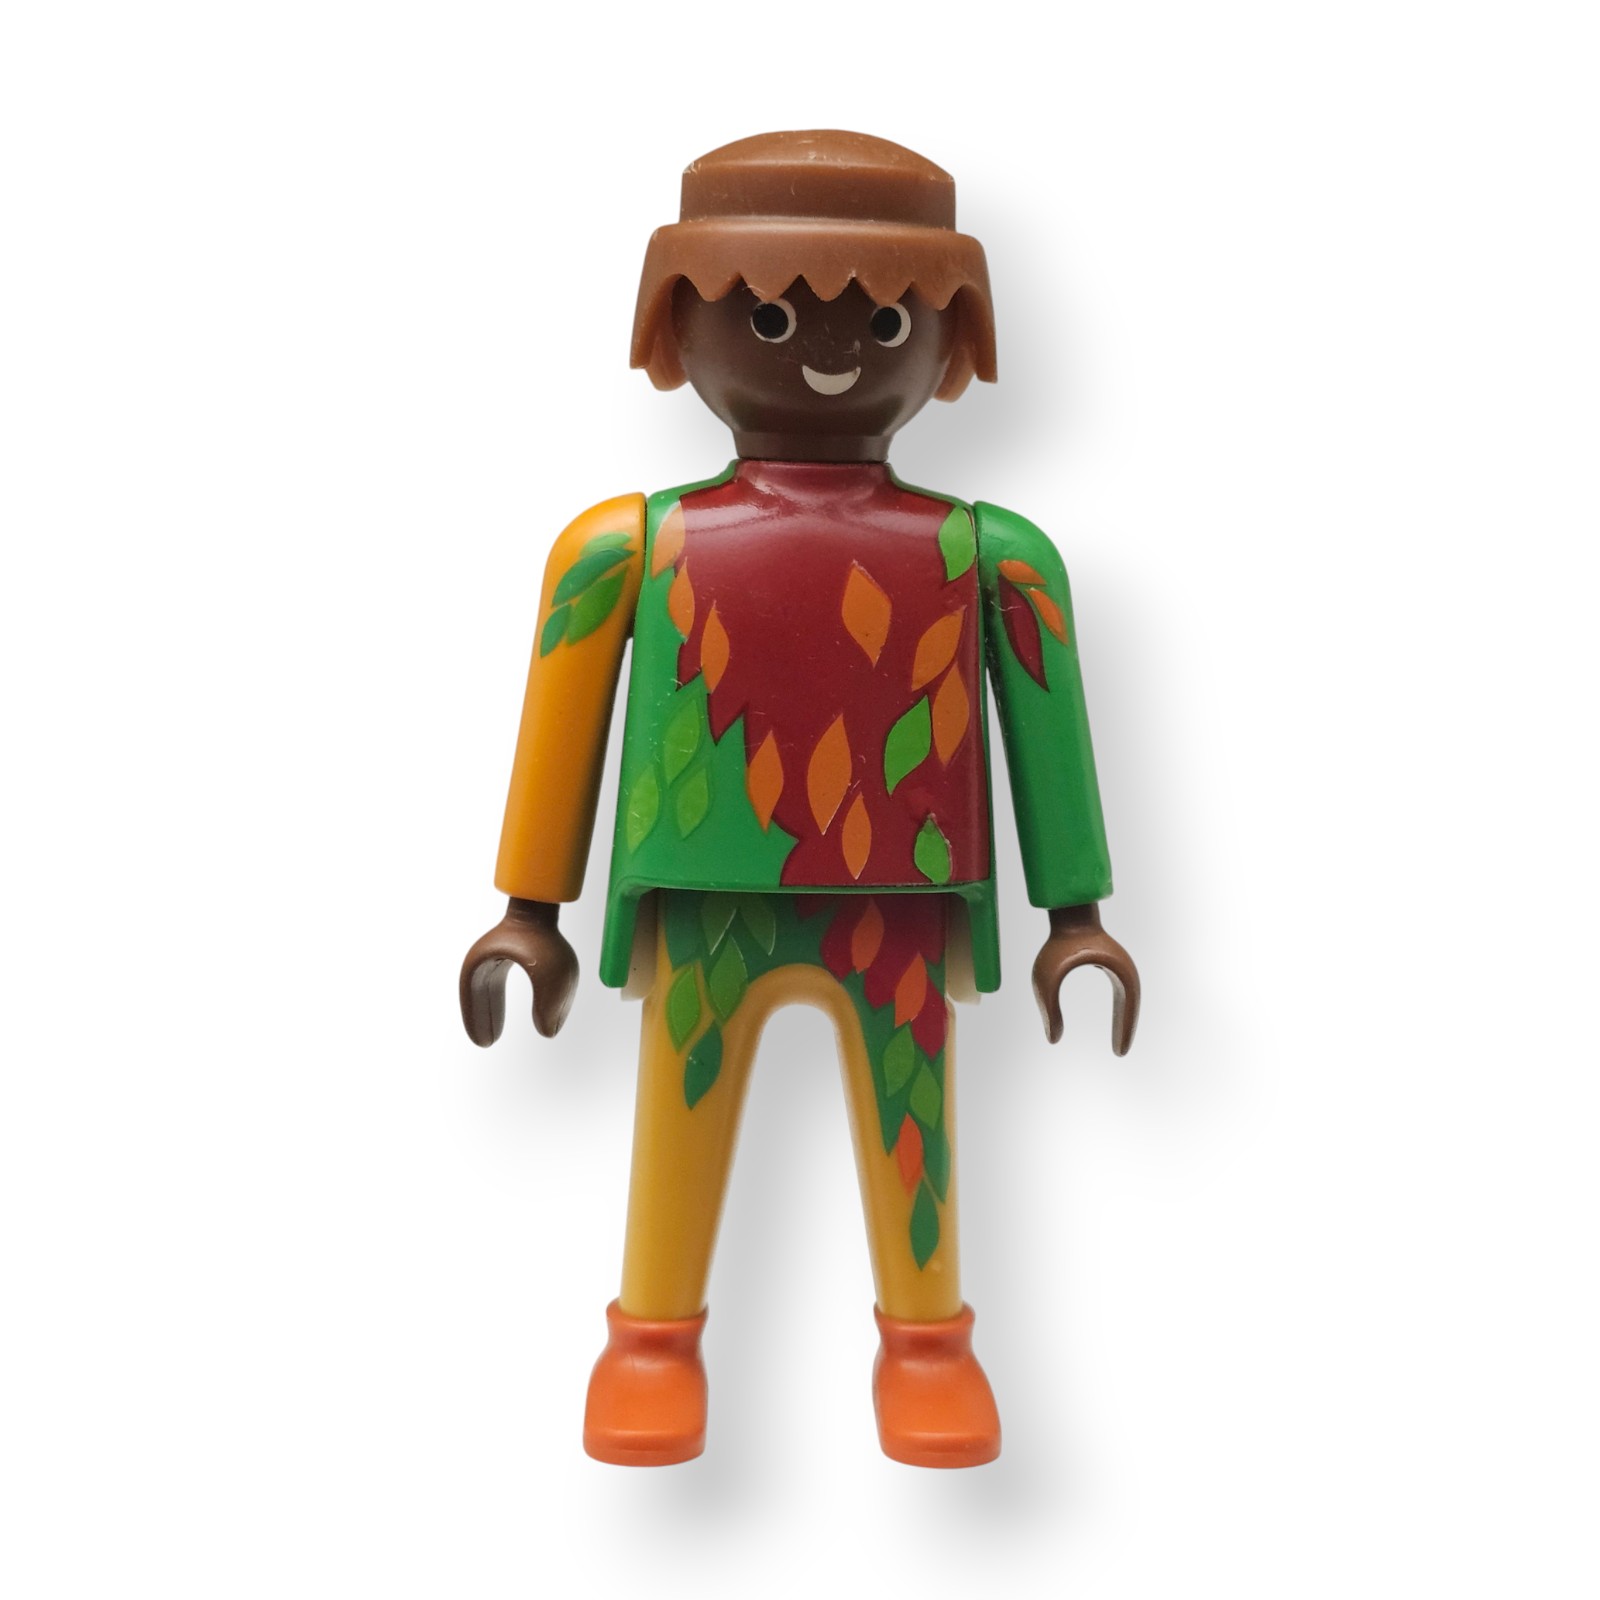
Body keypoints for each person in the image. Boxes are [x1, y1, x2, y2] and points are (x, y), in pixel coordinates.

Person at [460, 130, 1140, 1468]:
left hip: (900, 896)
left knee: (910, 1121)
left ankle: (928, 1344)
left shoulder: (992, 558)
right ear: (679, 328)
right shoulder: (625, 549)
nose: (828, 352)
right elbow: (562, 722)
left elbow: (1047, 725)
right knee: (682, 1111)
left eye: (884, 321)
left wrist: (1079, 917)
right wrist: (528, 910)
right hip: (705, 889)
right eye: (769, 316)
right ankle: (652, 1341)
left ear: (946, 343)